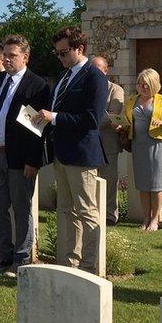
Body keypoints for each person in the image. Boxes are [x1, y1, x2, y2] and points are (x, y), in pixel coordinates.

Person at [0, 34, 50, 276]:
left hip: (20, 158)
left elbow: (39, 129)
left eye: (12, 55)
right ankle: (3, 256)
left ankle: (22, 258)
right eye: (4, 55)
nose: (6, 60)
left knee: (21, 207)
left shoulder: (37, 85)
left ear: (25, 57)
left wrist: (33, 160)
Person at [34, 27, 108, 273]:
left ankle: (88, 266)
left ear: (80, 48)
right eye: (57, 53)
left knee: (87, 211)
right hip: (61, 152)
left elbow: (92, 119)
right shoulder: (64, 76)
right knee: (66, 210)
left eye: (64, 52)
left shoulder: (94, 76)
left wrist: (53, 117)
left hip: (81, 153)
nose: (60, 57)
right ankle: (69, 262)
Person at [122, 68, 162, 231]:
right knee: (142, 184)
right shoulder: (131, 100)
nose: (143, 87)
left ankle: (155, 219)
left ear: (154, 85)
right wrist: (121, 125)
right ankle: (145, 217)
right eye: (140, 84)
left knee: (156, 184)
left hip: (156, 145)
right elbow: (127, 120)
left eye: (146, 85)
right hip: (138, 145)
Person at [91, 56, 125, 225]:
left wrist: (85, 121)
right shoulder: (86, 88)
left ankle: (110, 215)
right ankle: (93, 213)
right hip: (89, 143)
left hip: (108, 143)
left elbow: (112, 115)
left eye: (98, 69)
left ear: (106, 70)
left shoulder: (115, 90)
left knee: (109, 180)